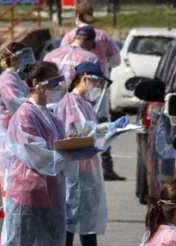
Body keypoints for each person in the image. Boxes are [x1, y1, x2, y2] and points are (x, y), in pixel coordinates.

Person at [0, 61, 81, 246]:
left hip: (51, 196)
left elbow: (61, 144)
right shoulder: (25, 115)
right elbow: (36, 153)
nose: (58, 88)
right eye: (53, 83)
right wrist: (64, 155)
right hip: (27, 194)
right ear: (38, 85)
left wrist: (79, 145)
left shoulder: (50, 116)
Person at [55, 62, 119, 246]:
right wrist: (102, 131)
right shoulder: (71, 103)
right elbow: (77, 133)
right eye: (95, 81)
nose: (97, 87)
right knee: (71, 217)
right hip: (75, 168)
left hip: (87, 166)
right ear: (84, 78)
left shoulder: (83, 103)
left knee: (88, 216)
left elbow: (90, 130)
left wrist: (109, 130)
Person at [60, 1, 124, 181]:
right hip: (98, 89)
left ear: (76, 16)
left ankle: (74, 165)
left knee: (72, 126)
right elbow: (116, 60)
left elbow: (60, 59)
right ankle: (105, 166)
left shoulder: (68, 37)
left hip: (71, 90)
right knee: (101, 124)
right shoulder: (103, 36)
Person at [0, 42, 34, 185]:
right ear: (15, 59)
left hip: (14, 133)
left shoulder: (15, 78)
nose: (26, 60)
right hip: (9, 134)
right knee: (9, 178)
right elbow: (17, 104)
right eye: (23, 57)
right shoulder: (7, 81)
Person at [44, 25, 100, 92]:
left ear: (74, 39)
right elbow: (94, 86)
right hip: (74, 99)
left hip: (50, 98)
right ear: (89, 42)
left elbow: (43, 77)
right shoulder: (92, 58)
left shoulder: (51, 54)